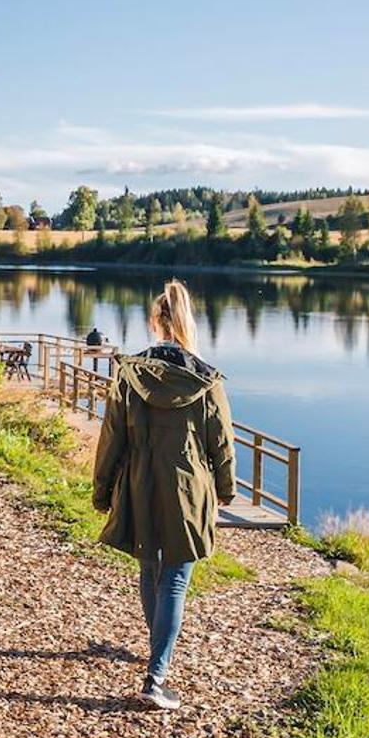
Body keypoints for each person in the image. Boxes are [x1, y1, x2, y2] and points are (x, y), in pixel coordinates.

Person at [90, 280, 236, 711]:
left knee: (149, 569)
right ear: (188, 323)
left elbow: (110, 436)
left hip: (138, 482)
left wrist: (103, 490)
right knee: (175, 576)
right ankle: (156, 676)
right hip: (187, 490)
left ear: (156, 322)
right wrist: (226, 489)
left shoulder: (131, 373)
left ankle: (156, 648)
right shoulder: (205, 380)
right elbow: (221, 443)